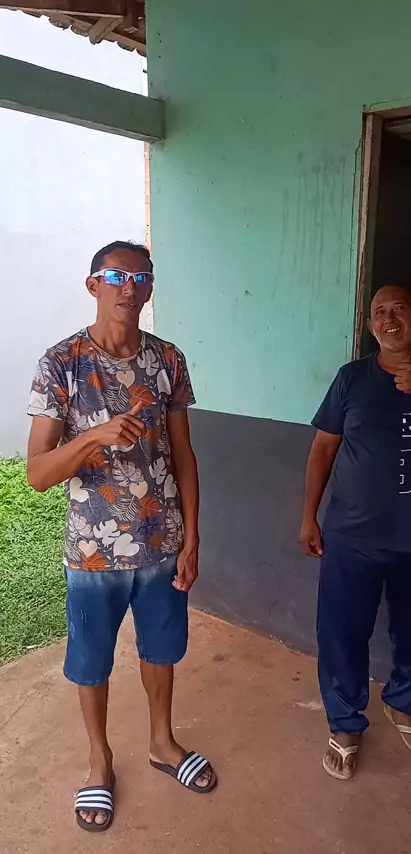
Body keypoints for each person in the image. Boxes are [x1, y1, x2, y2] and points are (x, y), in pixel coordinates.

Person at [27, 240, 217, 832]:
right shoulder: (61, 364)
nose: (128, 287)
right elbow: (37, 474)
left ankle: (162, 742)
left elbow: (183, 456)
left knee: (161, 651)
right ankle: (99, 761)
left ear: (150, 287)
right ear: (93, 285)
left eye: (140, 277)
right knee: (91, 662)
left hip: (162, 544)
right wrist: (93, 436)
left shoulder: (168, 360)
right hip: (93, 551)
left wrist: (192, 537)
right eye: (115, 276)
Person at [300, 285, 411, 781]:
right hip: (352, 536)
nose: (387, 318)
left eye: (398, 308)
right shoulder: (351, 378)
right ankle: (344, 724)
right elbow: (322, 449)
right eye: (378, 311)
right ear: (370, 325)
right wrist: (309, 515)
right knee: (341, 632)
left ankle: (403, 704)